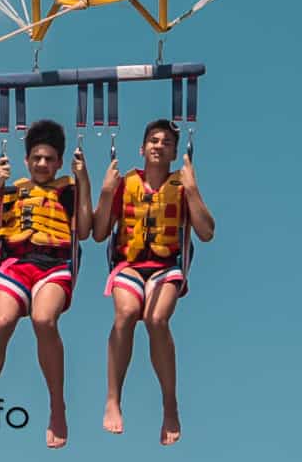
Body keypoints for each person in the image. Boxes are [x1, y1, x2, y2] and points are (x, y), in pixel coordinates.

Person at [0, 119, 92, 451]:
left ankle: (57, 406)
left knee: (43, 319)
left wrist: (84, 179)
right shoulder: (11, 191)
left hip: (53, 265)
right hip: (15, 265)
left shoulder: (68, 192)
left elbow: (87, 230)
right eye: (37, 158)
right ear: (27, 160)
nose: (43, 164)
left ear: (59, 162)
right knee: (0, 323)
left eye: (49, 159)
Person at [92, 119, 215, 446]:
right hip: (129, 266)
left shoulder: (181, 186)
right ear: (142, 148)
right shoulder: (125, 183)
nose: (159, 145)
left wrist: (192, 189)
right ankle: (113, 399)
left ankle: (169, 404)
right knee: (126, 315)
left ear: (175, 153)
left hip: (165, 267)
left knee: (156, 319)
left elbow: (206, 232)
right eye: (153, 141)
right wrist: (105, 193)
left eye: (166, 143)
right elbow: (100, 232)